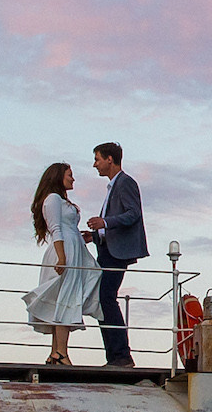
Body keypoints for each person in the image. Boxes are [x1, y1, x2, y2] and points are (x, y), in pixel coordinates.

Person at [22, 161, 96, 365]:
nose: (73, 178)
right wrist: (62, 257)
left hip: (72, 247)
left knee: (65, 298)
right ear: (58, 177)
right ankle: (61, 352)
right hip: (64, 250)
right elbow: (56, 228)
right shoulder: (53, 199)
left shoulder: (60, 200)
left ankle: (56, 351)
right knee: (66, 298)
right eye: (69, 175)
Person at [83, 142, 147, 367]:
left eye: (97, 159)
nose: (95, 164)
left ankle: (121, 355)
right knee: (104, 299)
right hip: (108, 250)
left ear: (110, 159)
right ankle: (115, 355)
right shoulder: (114, 185)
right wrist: (95, 235)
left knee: (107, 298)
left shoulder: (125, 183)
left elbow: (133, 214)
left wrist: (105, 222)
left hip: (116, 254)